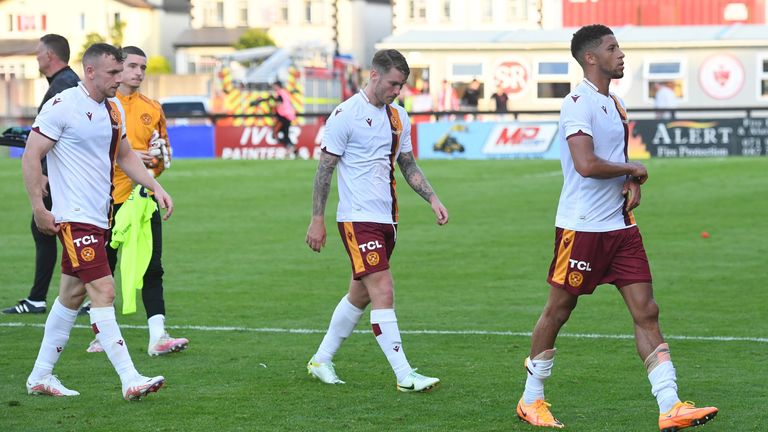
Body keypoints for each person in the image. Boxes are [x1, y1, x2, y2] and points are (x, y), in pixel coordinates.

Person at [514, 25, 718, 431]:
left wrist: (629, 182)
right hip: (582, 228)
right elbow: (586, 165)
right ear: (591, 58)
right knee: (559, 310)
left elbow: (612, 160)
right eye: (612, 48)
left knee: (647, 310)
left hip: (621, 227)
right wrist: (633, 168)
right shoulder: (576, 103)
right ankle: (531, 399)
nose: (620, 54)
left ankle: (670, 404)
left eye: (618, 46)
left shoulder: (617, 103)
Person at [22, 43, 172, 400]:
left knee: (71, 296)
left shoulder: (115, 108)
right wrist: (39, 208)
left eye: (121, 73)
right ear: (90, 72)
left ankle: (40, 375)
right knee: (104, 291)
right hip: (75, 218)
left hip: (100, 217)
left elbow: (124, 155)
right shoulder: (63, 106)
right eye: (113, 73)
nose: (119, 80)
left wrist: (155, 186)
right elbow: (31, 154)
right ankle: (130, 378)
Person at [305, 49, 449, 393]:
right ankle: (404, 375)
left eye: (401, 85)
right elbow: (324, 169)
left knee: (360, 294)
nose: (397, 91)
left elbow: (408, 164)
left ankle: (321, 360)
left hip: (388, 219)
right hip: (357, 219)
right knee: (383, 288)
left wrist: (432, 198)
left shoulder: (399, 116)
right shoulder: (345, 115)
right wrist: (317, 219)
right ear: (374, 75)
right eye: (393, 83)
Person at [83, 45, 188, 357]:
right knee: (103, 270)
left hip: (143, 199)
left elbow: (164, 156)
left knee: (152, 267)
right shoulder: (102, 106)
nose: (138, 72)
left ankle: (158, 336)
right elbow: (87, 155)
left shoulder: (152, 108)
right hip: (105, 201)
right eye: (131, 66)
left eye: (143, 67)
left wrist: (155, 160)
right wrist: (126, 158)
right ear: (117, 68)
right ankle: (101, 334)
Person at [3, 34, 80, 315]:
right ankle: (80, 294)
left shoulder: (64, 85)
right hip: (61, 175)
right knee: (53, 231)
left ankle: (44, 298)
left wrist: (45, 172)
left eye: (39, 52)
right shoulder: (63, 83)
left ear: (49, 56)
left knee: (56, 230)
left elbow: (64, 136)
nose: (36, 57)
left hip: (62, 177)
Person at [252, 80, 297, 156]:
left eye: (274, 85)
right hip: (288, 116)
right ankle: (293, 150)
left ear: (277, 86)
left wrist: (268, 103)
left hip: (283, 117)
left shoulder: (280, 93)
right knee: (285, 135)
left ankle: (290, 147)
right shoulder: (284, 93)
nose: (273, 87)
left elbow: (278, 103)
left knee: (275, 134)